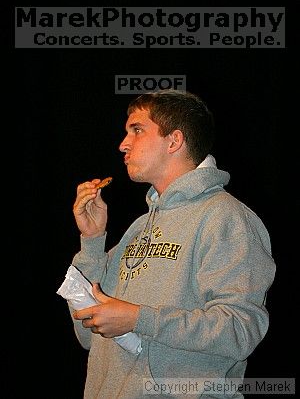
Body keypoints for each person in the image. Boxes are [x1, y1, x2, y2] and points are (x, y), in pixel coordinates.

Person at [68, 89, 276, 398]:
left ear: (174, 141)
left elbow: (240, 330)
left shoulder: (225, 217)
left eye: (136, 130)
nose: (123, 144)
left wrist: (140, 319)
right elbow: (88, 336)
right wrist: (93, 242)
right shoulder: (139, 229)